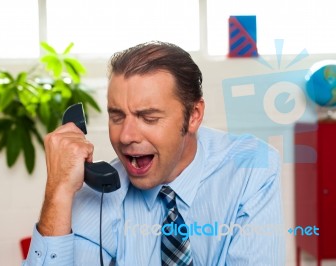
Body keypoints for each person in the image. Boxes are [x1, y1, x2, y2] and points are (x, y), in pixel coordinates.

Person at [22, 41, 285, 266]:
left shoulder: (252, 169)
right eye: (117, 116)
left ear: (193, 116)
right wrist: (58, 190)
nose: (126, 136)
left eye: (148, 117)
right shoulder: (101, 194)